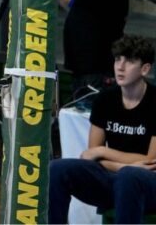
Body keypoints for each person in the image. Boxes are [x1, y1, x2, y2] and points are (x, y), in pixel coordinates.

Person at [48, 35, 156, 225]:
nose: (120, 67)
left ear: (145, 69)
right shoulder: (105, 100)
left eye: (129, 61)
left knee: (128, 177)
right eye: (118, 59)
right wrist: (119, 164)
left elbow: (150, 162)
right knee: (56, 169)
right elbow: (91, 158)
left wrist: (103, 152)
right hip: (113, 178)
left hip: (147, 185)